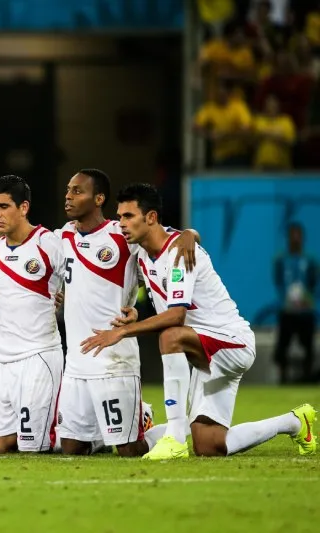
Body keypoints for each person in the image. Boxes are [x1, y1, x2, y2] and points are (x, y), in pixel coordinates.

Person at [82, 183, 316, 459]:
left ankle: (175, 438)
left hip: (231, 343)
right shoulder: (143, 253)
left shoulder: (179, 253)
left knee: (170, 335)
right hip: (203, 352)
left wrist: (123, 332)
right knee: (208, 446)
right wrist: (135, 311)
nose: (121, 223)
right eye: (120, 216)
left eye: (129, 216)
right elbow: (174, 262)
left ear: (151, 217)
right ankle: (294, 422)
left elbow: (176, 315)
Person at [56, 169, 198, 456]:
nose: (68, 196)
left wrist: (189, 234)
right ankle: (110, 428)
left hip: (114, 360)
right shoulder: (63, 235)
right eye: (68, 190)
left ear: (99, 199)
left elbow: (166, 241)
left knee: (130, 451)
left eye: (77, 191)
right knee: (72, 448)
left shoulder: (122, 235)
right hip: (76, 362)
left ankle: (152, 421)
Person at [0, 175, 65, 453]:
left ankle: (88, 435)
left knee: (32, 446)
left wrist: (63, 296)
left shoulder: (47, 242)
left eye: (4, 206)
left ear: (24, 207)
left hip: (37, 354)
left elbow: (78, 283)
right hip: (0, 357)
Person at [274, 222, 317, 383]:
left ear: (303, 238)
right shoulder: (281, 259)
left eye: (298, 235)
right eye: (293, 235)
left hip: (305, 311)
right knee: (283, 345)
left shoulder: (310, 260)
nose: (295, 239)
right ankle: (283, 377)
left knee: (308, 345)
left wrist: (307, 299)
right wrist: (285, 299)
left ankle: (307, 376)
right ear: (288, 238)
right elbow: (278, 281)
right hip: (288, 311)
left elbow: (313, 282)